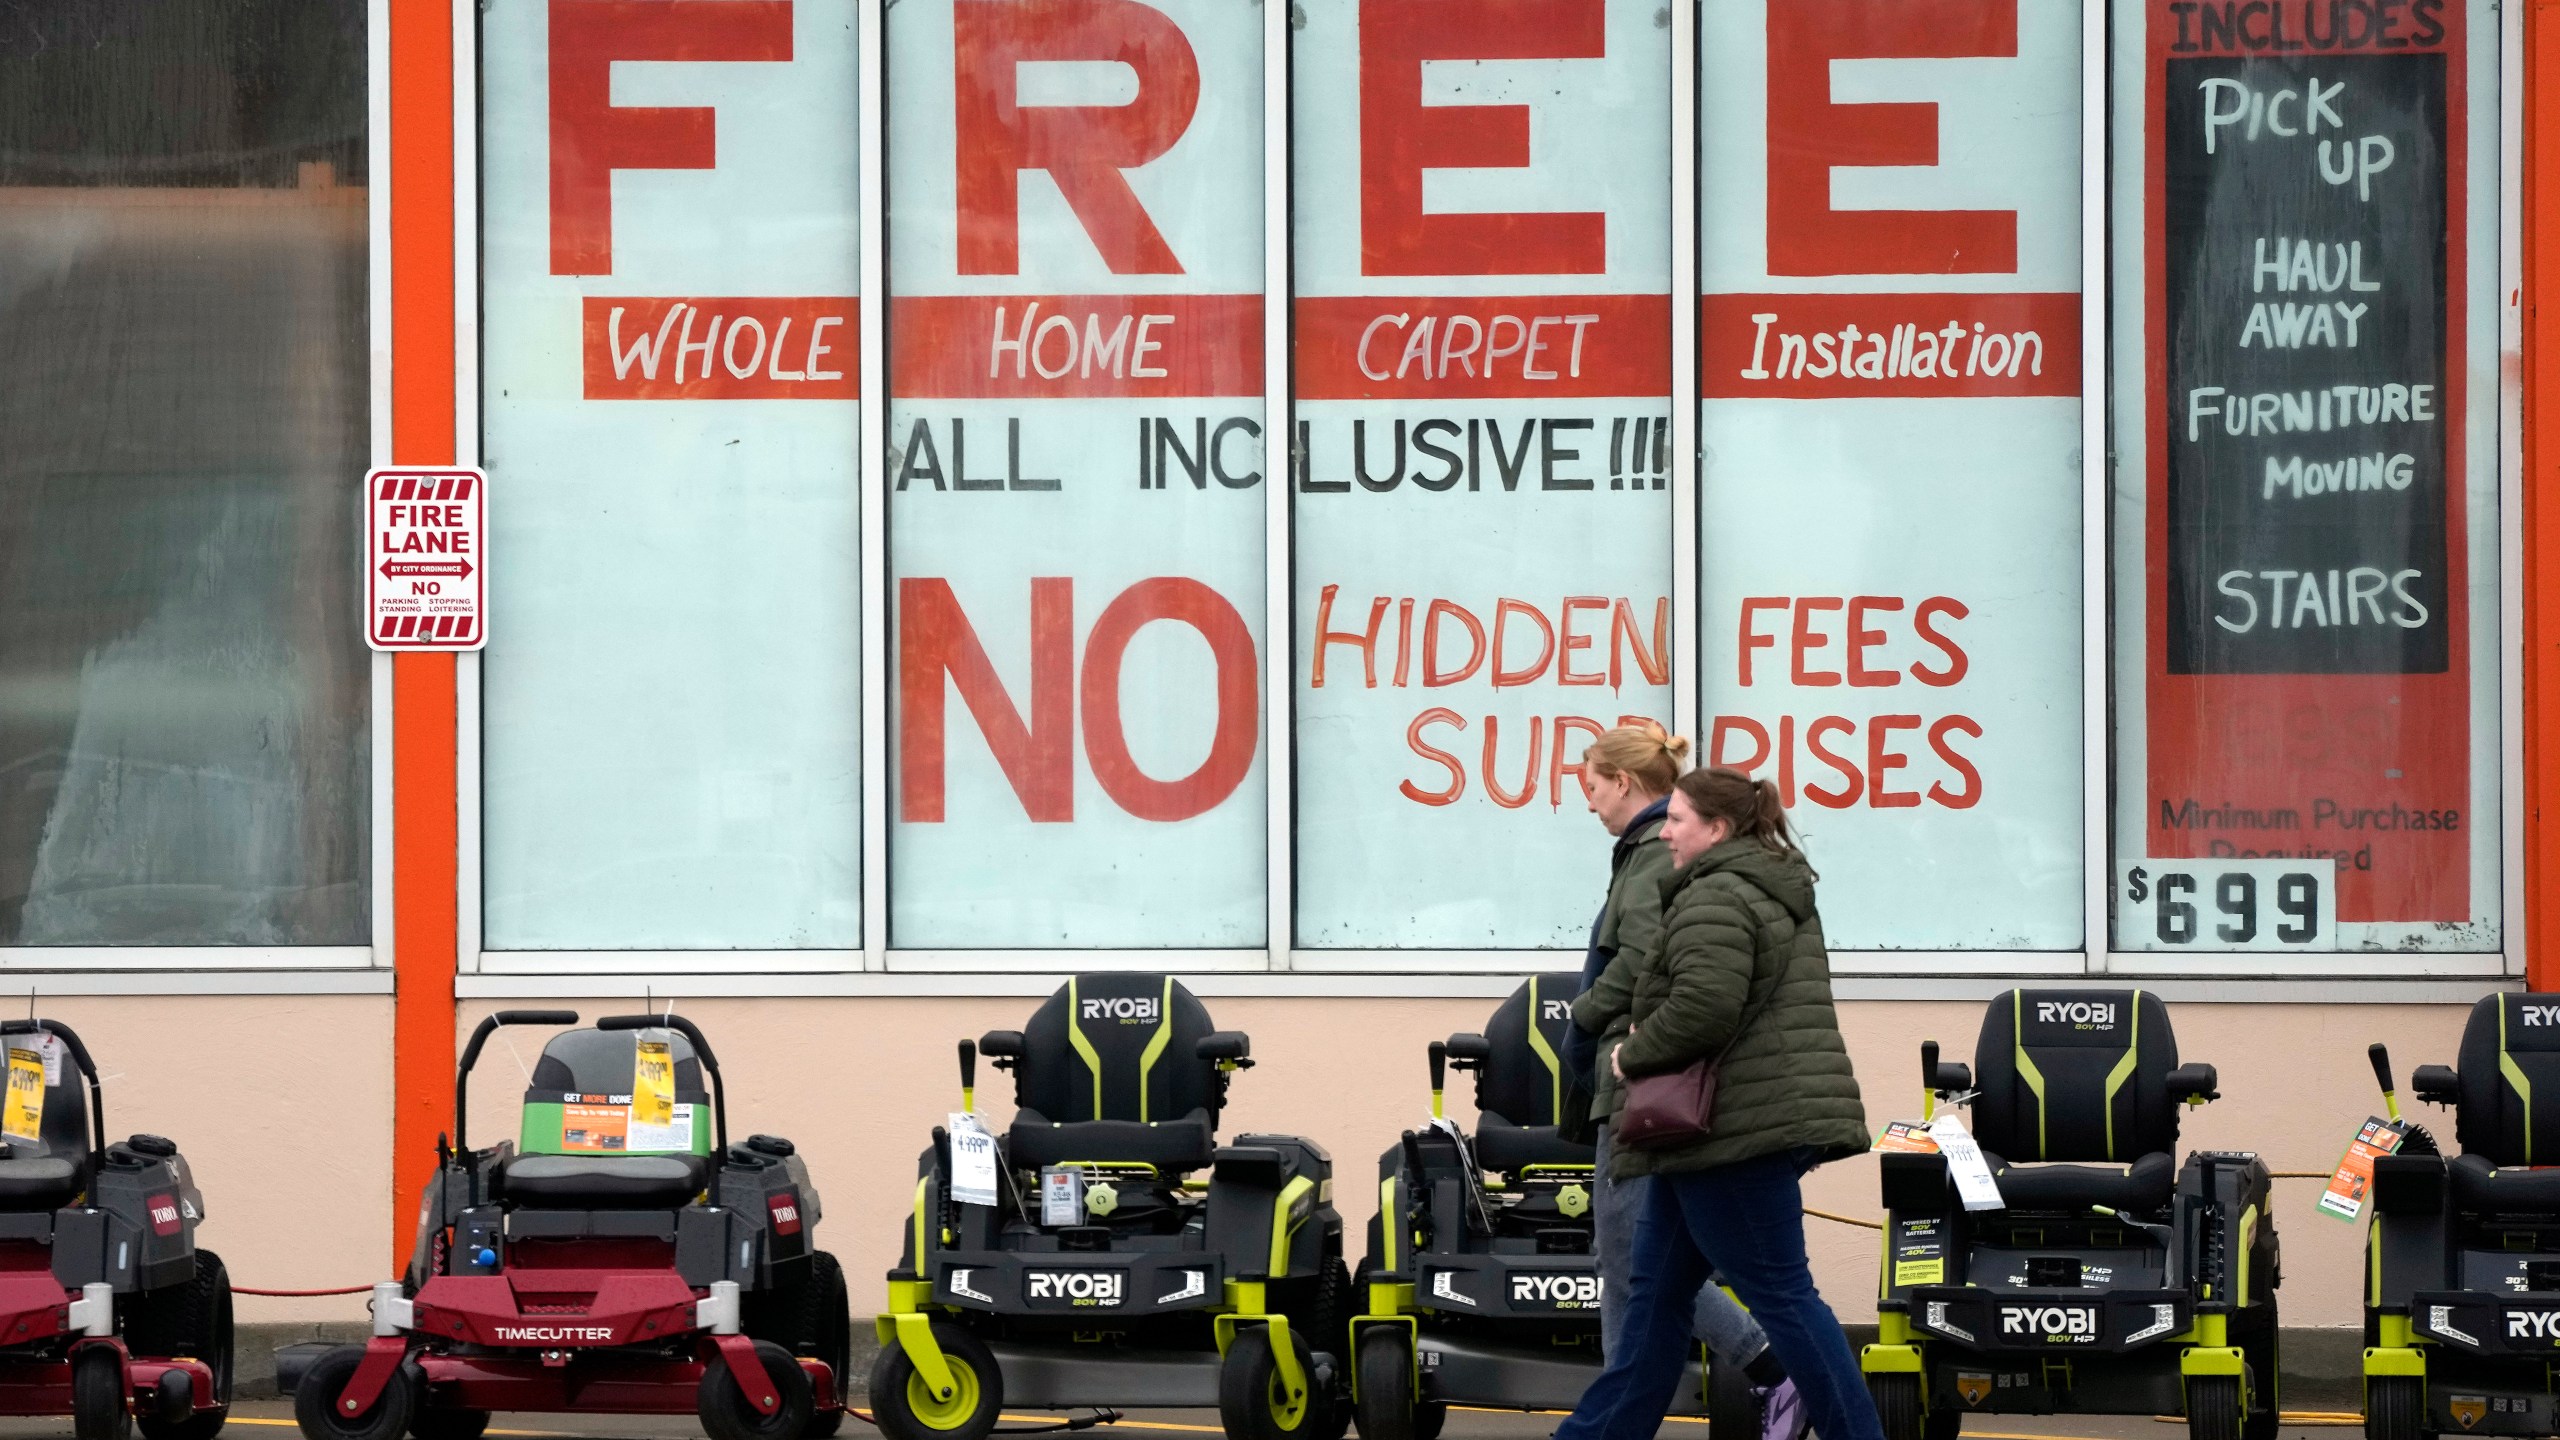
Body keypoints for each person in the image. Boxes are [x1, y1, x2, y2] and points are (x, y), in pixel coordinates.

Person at [1553, 766, 1880, 1440]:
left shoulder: (1716, 897)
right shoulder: (1759, 889)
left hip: (1730, 1135)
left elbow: (1704, 1008)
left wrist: (1629, 1053)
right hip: (1718, 1134)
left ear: (1718, 828)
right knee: (1654, 1303)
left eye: (1677, 818)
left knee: (1785, 1298)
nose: (1665, 830)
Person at [1563, 727, 1799, 1435]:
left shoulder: (1645, 860)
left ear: (1626, 784)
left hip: (1637, 1090)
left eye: (1592, 786)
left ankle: (1777, 1369)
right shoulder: (1653, 855)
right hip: (1649, 1091)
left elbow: (1638, 960)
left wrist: (1584, 1021)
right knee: (1626, 1270)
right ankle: (1620, 1422)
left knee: (1636, 1265)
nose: (1589, 803)